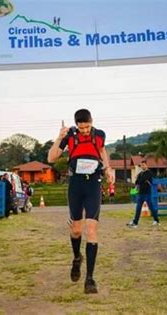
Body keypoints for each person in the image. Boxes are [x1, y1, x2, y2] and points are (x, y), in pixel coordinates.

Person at [47, 109, 114, 294]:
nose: (85, 130)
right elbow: (51, 158)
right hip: (75, 184)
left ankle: (90, 279)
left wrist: (108, 169)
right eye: (81, 127)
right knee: (76, 229)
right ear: (76, 125)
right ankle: (77, 258)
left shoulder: (99, 135)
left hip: (93, 183)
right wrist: (59, 138)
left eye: (87, 127)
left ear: (92, 122)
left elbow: (102, 150)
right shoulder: (69, 135)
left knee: (91, 229)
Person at [126, 160, 160, 228]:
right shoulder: (140, 173)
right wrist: (140, 180)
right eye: (141, 165)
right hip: (140, 193)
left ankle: (156, 220)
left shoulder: (149, 173)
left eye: (143, 165)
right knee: (138, 208)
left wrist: (140, 180)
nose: (142, 166)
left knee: (151, 207)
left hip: (147, 193)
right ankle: (135, 222)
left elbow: (142, 180)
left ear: (146, 165)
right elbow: (137, 182)